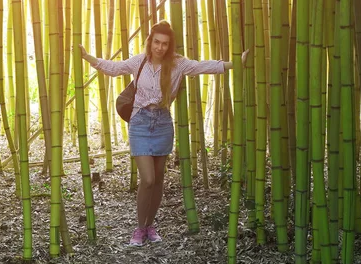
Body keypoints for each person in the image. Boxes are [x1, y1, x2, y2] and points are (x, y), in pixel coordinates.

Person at [79, 20, 248, 247]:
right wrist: (88, 57)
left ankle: (150, 225)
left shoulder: (178, 64)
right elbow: (113, 68)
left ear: (170, 46)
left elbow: (204, 66)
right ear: (150, 42)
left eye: (165, 44)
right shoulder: (139, 61)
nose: (160, 47)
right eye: (156, 42)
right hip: (140, 122)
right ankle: (139, 228)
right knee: (147, 179)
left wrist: (234, 64)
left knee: (158, 180)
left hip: (163, 123)